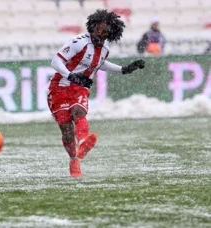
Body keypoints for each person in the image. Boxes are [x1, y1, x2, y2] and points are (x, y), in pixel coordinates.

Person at [47, 9, 145, 178]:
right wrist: (70, 75)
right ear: (92, 27)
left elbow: (100, 63)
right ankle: (73, 160)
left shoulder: (105, 48)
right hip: (59, 88)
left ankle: (84, 141)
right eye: (99, 29)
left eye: (106, 32)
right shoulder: (78, 42)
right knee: (67, 131)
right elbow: (55, 61)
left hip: (80, 88)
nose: (102, 34)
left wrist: (124, 69)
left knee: (79, 111)